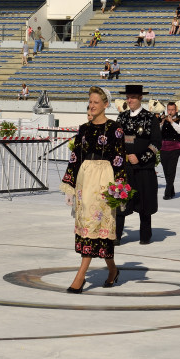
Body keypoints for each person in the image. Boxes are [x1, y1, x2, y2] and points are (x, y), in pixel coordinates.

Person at [60, 87, 127, 292]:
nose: (92, 105)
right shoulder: (84, 129)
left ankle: (80, 276)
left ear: (106, 104)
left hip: (104, 181)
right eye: (90, 101)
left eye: (96, 102)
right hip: (85, 180)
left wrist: (120, 188)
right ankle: (113, 270)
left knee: (100, 226)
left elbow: (119, 160)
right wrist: (70, 185)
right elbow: (75, 158)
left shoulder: (116, 129)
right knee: (88, 225)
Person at [116, 84, 160, 244]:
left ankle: (145, 236)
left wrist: (140, 158)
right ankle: (116, 236)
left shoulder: (150, 118)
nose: (130, 100)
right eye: (128, 97)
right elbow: (116, 140)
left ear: (140, 98)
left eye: (133, 97)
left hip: (143, 169)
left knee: (144, 204)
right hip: (125, 169)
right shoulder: (121, 117)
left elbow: (156, 144)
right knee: (120, 203)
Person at [160, 102, 180, 199]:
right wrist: (161, 123)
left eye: (172, 110)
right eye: (169, 110)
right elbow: (158, 132)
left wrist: (172, 122)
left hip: (174, 147)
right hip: (163, 147)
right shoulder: (164, 119)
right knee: (166, 170)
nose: (170, 112)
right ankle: (171, 188)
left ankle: (167, 192)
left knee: (171, 169)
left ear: (176, 110)